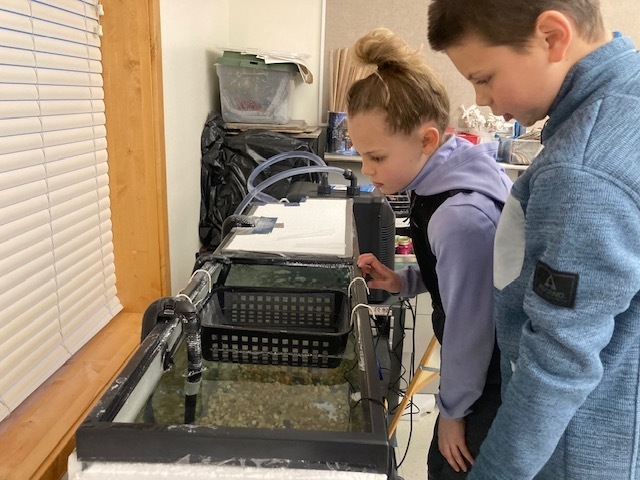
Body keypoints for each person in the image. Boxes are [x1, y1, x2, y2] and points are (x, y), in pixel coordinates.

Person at [427, 2, 640, 479]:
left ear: (551, 37)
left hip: (574, 454)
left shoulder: (583, 171)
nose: (481, 99)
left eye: (484, 78)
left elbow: (557, 362)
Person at [347, 28, 512, 479]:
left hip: (489, 380)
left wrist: (453, 412)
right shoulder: (447, 169)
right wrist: (403, 281)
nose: (367, 170)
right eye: (361, 156)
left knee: (449, 465)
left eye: (377, 157)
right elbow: (461, 272)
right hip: (476, 371)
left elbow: (470, 328)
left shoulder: (460, 216)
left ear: (426, 139)